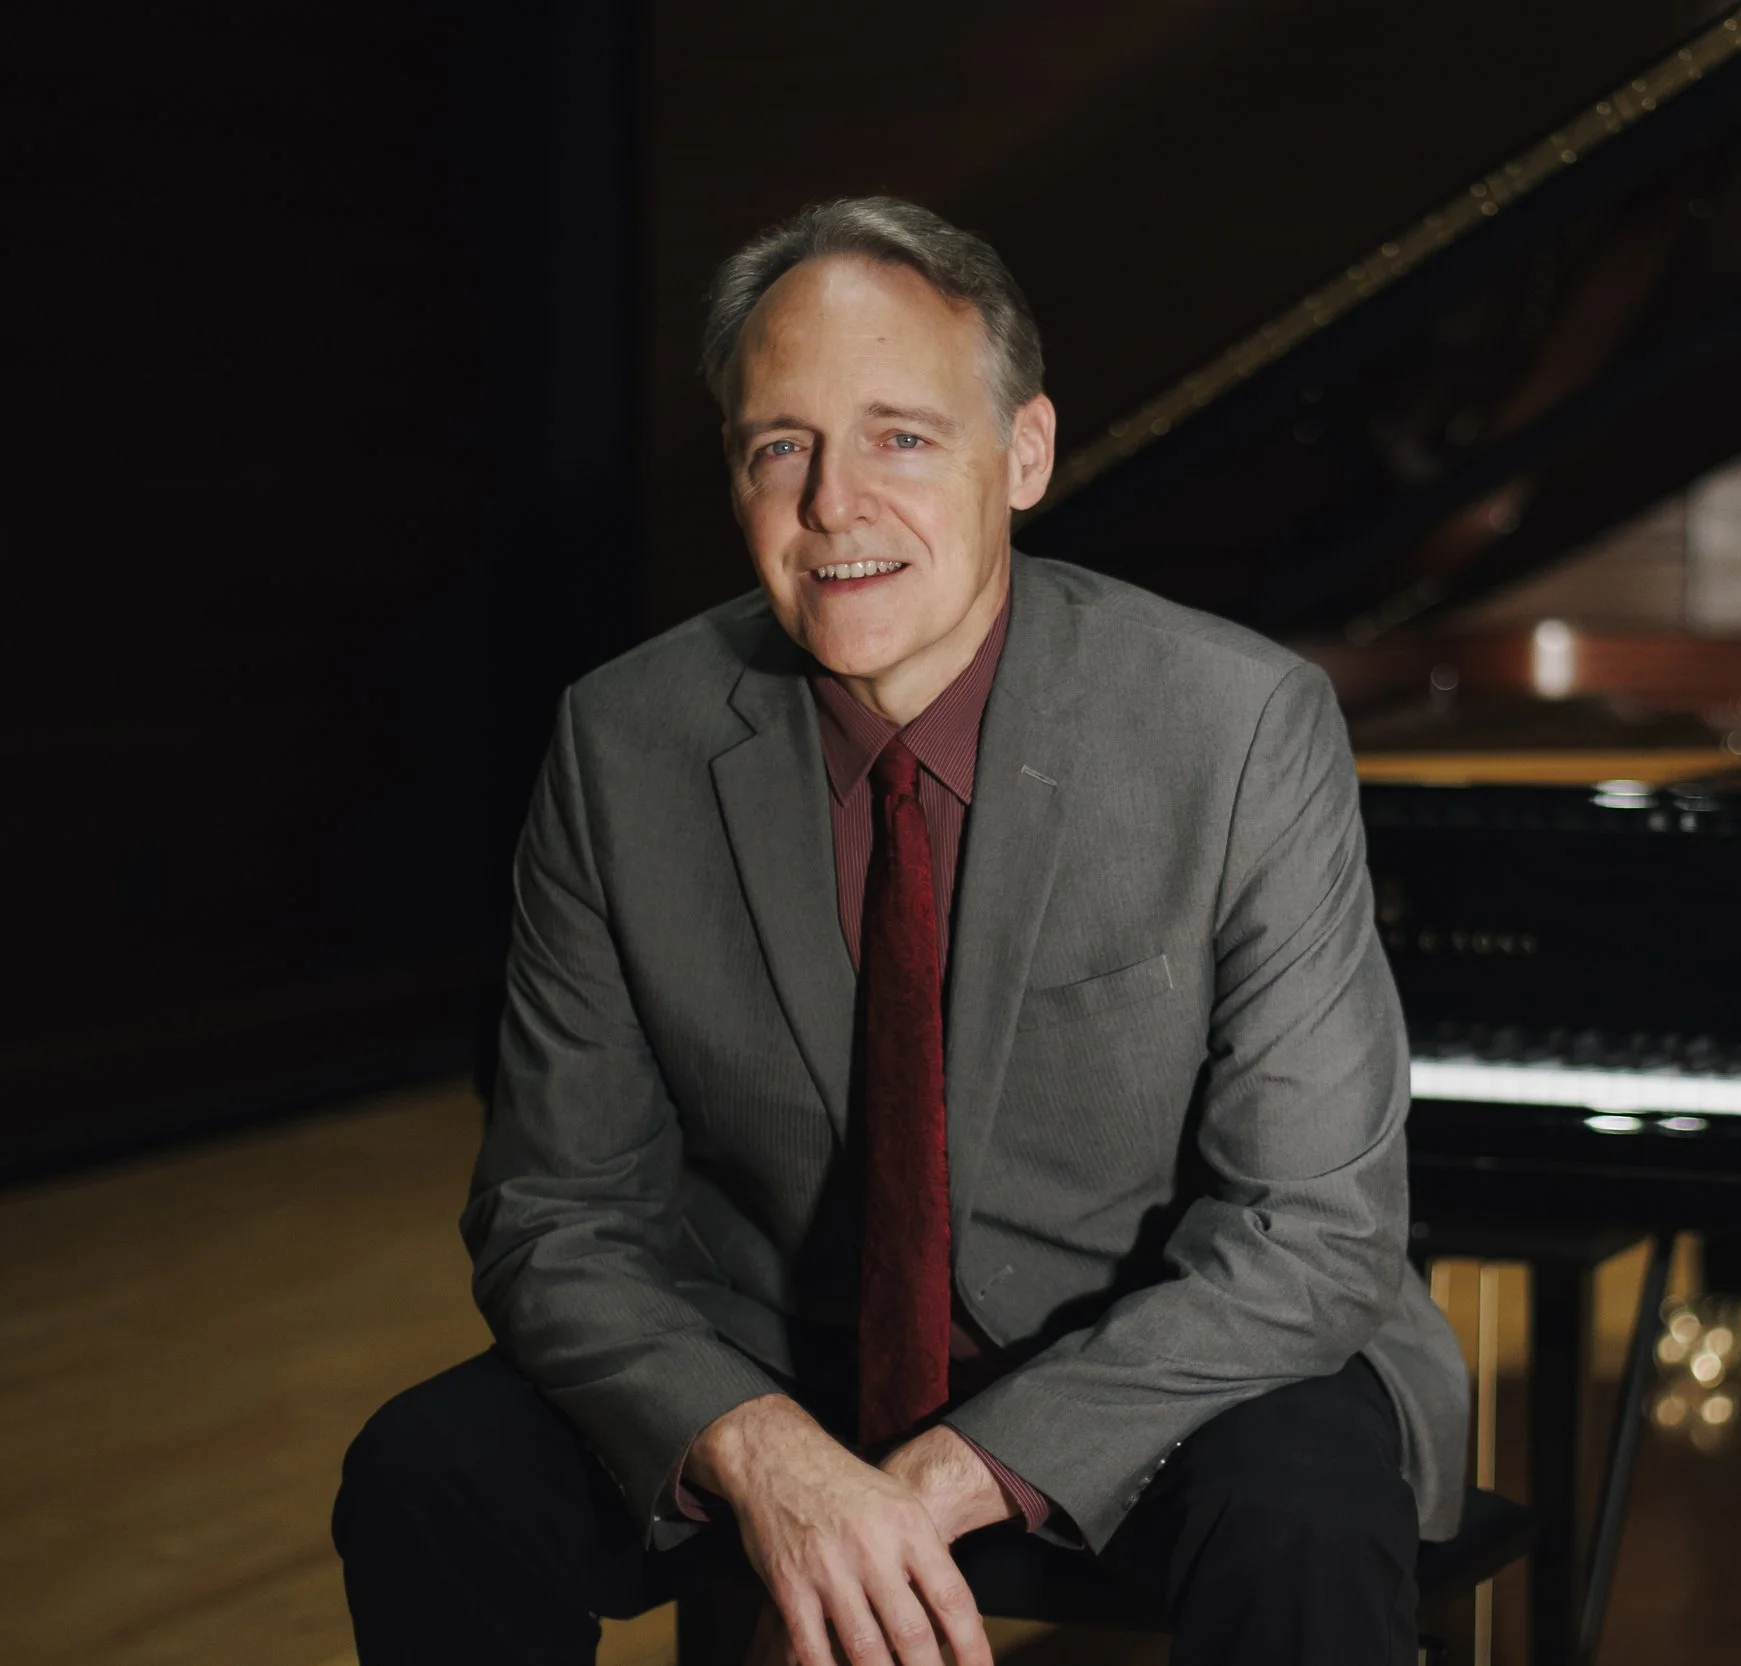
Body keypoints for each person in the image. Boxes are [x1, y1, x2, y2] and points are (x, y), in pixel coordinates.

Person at [331, 195, 1470, 1666]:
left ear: (1029, 452)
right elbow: (556, 1213)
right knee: (430, 1475)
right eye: (780, 445)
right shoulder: (623, 743)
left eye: (902, 437)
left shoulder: (1237, 724)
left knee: (1303, 1513)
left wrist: (941, 1477)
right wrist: (758, 1448)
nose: (832, 505)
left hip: (1166, 1353)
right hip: (770, 1352)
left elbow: (1311, 1234)